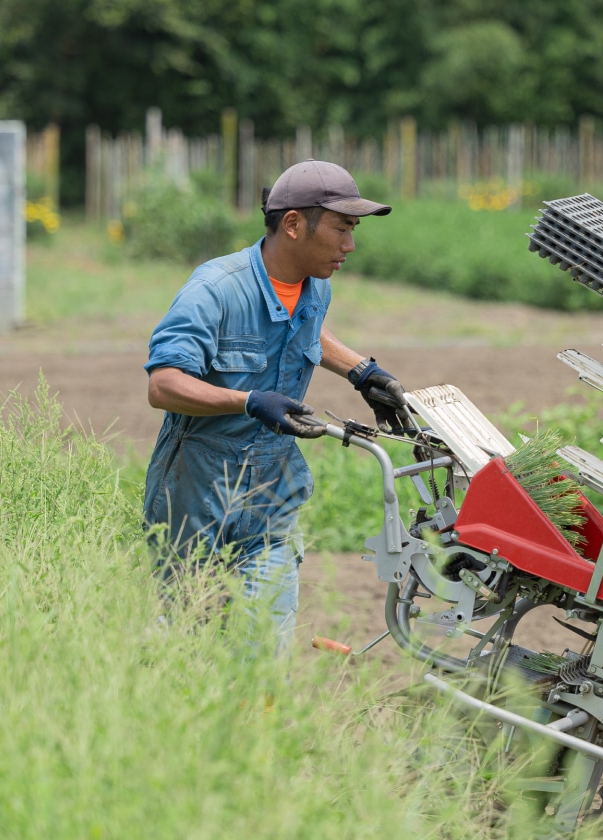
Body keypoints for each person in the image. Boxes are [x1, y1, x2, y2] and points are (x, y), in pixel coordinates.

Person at [142, 160, 409, 641]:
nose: (350, 245)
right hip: (196, 491)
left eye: (354, 231)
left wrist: (360, 370)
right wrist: (247, 401)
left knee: (265, 645)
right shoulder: (215, 291)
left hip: (272, 489)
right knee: (189, 640)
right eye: (341, 229)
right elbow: (163, 385)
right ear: (292, 224)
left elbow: (303, 329)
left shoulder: (316, 285)